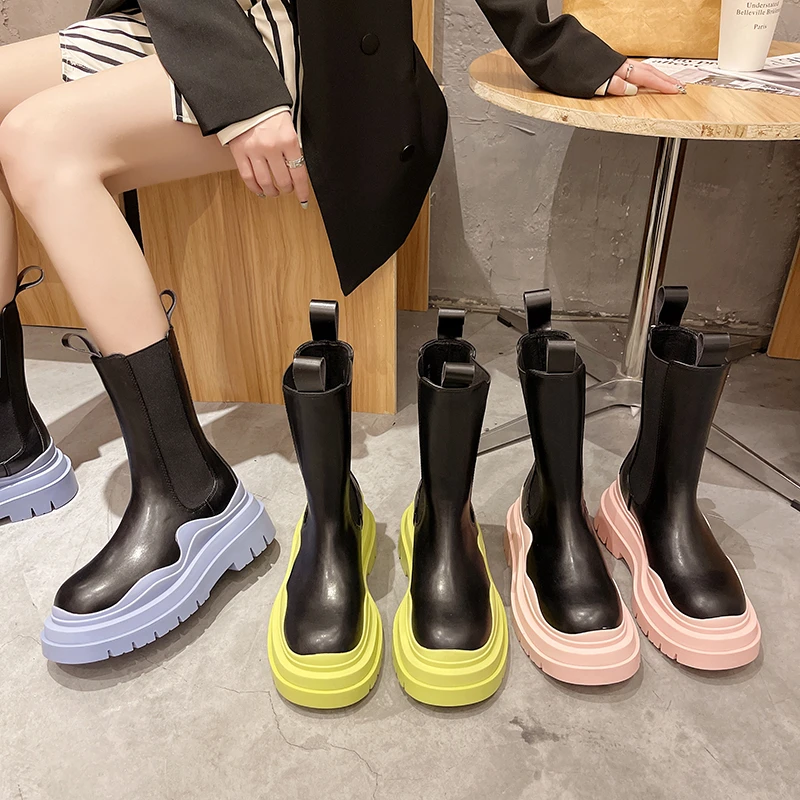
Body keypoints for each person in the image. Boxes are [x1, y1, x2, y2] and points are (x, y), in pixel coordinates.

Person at [0, 0, 680, 664]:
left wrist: (553, 46)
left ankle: (225, 493)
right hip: (176, 15)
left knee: (37, 142)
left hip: (302, 37)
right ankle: (16, 435)